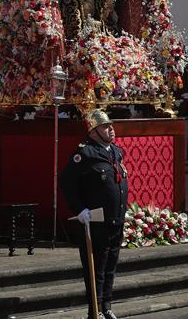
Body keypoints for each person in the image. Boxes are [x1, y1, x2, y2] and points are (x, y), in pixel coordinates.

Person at [60, 109, 128, 319]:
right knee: (96, 270)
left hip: (115, 220)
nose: (111, 130)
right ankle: (95, 311)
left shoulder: (116, 152)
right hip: (96, 222)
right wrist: (79, 208)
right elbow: (66, 182)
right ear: (93, 131)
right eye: (105, 127)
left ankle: (106, 306)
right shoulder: (85, 154)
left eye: (111, 126)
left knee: (110, 268)